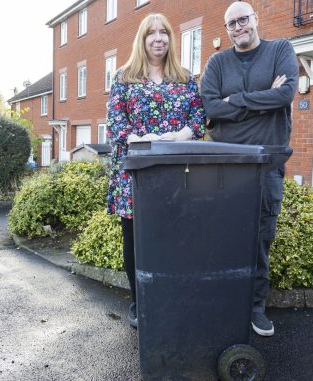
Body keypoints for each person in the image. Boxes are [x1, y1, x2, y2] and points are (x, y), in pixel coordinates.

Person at [200, 1, 299, 337]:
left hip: (267, 165)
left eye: (243, 19)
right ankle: (225, 303)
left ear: (255, 19)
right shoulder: (217, 62)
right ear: (226, 30)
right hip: (225, 165)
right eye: (231, 24)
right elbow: (209, 107)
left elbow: (285, 94)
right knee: (223, 237)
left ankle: (256, 308)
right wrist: (261, 100)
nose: (238, 27)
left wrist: (235, 103)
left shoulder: (280, 49)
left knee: (259, 241)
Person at [106, 13, 206, 328]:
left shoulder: (185, 78)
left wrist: (180, 136)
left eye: (164, 32)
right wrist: (141, 139)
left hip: (177, 175)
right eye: (152, 33)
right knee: (135, 241)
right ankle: (139, 300)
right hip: (136, 174)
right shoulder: (124, 77)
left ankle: (171, 296)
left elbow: (199, 118)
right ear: (143, 39)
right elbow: (115, 123)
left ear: (170, 39)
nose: (159, 38)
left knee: (174, 238)